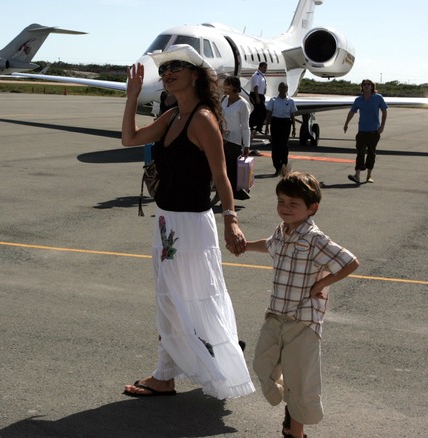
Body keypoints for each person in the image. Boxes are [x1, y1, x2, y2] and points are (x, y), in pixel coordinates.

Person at [120, 44, 254, 399]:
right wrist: (132, 96)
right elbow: (129, 138)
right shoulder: (172, 116)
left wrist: (231, 220)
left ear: (195, 74)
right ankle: (167, 372)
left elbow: (222, 176)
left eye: (176, 67)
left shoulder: (203, 118)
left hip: (192, 226)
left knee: (193, 298)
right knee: (169, 299)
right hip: (166, 222)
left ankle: (212, 357)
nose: (167, 73)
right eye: (164, 69)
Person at [241, 172, 360, 438]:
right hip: (275, 315)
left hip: (302, 321)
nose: (284, 208)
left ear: (311, 208)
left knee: (300, 380)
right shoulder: (281, 231)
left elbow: (350, 262)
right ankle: (289, 400)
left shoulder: (315, 239)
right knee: (262, 365)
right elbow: (270, 245)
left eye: (293, 204)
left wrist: (322, 284)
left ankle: (295, 431)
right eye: (281, 201)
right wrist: (246, 246)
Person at [343, 79, 388, 184]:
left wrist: (382, 126)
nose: (366, 86)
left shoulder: (378, 98)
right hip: (362, 131)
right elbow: (352, 112)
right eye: (364, 85)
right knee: (360, 153)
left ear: (372, 87)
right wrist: (346, 124)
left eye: (368, 84)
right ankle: (357, 175)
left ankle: (369, 175)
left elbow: (384, 111)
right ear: (362, 87)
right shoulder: (358, 100)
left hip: (374, 131)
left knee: (371, 153)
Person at [221, 75, 252, 202]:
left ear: (233, 87)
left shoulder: (243, 104)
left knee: (232, 170)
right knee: (223, 169)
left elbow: (245, 126)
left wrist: (247, 145)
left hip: (234, 140)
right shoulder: (224, 100)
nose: (224, 87)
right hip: (223, 138)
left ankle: (234, 194)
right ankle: (224, 194)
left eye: (226, 85)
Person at [265, 82, 298, 177]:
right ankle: (277, 167)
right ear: (278, 89)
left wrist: (294, 128)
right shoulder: (273, 100)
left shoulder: (291, 101)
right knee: (275, 146)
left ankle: (284, 167)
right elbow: (269, 114)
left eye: (284, 87)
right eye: (281, 87)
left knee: (284, 146)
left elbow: (292, 115)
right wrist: (267, 126)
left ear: (287, 89)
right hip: (276, 123)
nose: (283, 89)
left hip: (286, 123)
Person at [248, 62, 268, 156]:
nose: (265, 69)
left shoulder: (262, 75)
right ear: (259, 67)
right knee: (263, 111)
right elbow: (255, 87)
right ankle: (258, 127)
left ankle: (251, 125)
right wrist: (257, 97)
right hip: (256, 95)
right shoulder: (256, 75)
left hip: (261, 95)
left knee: (257, 111)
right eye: (264, 67)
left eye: (266, 67)